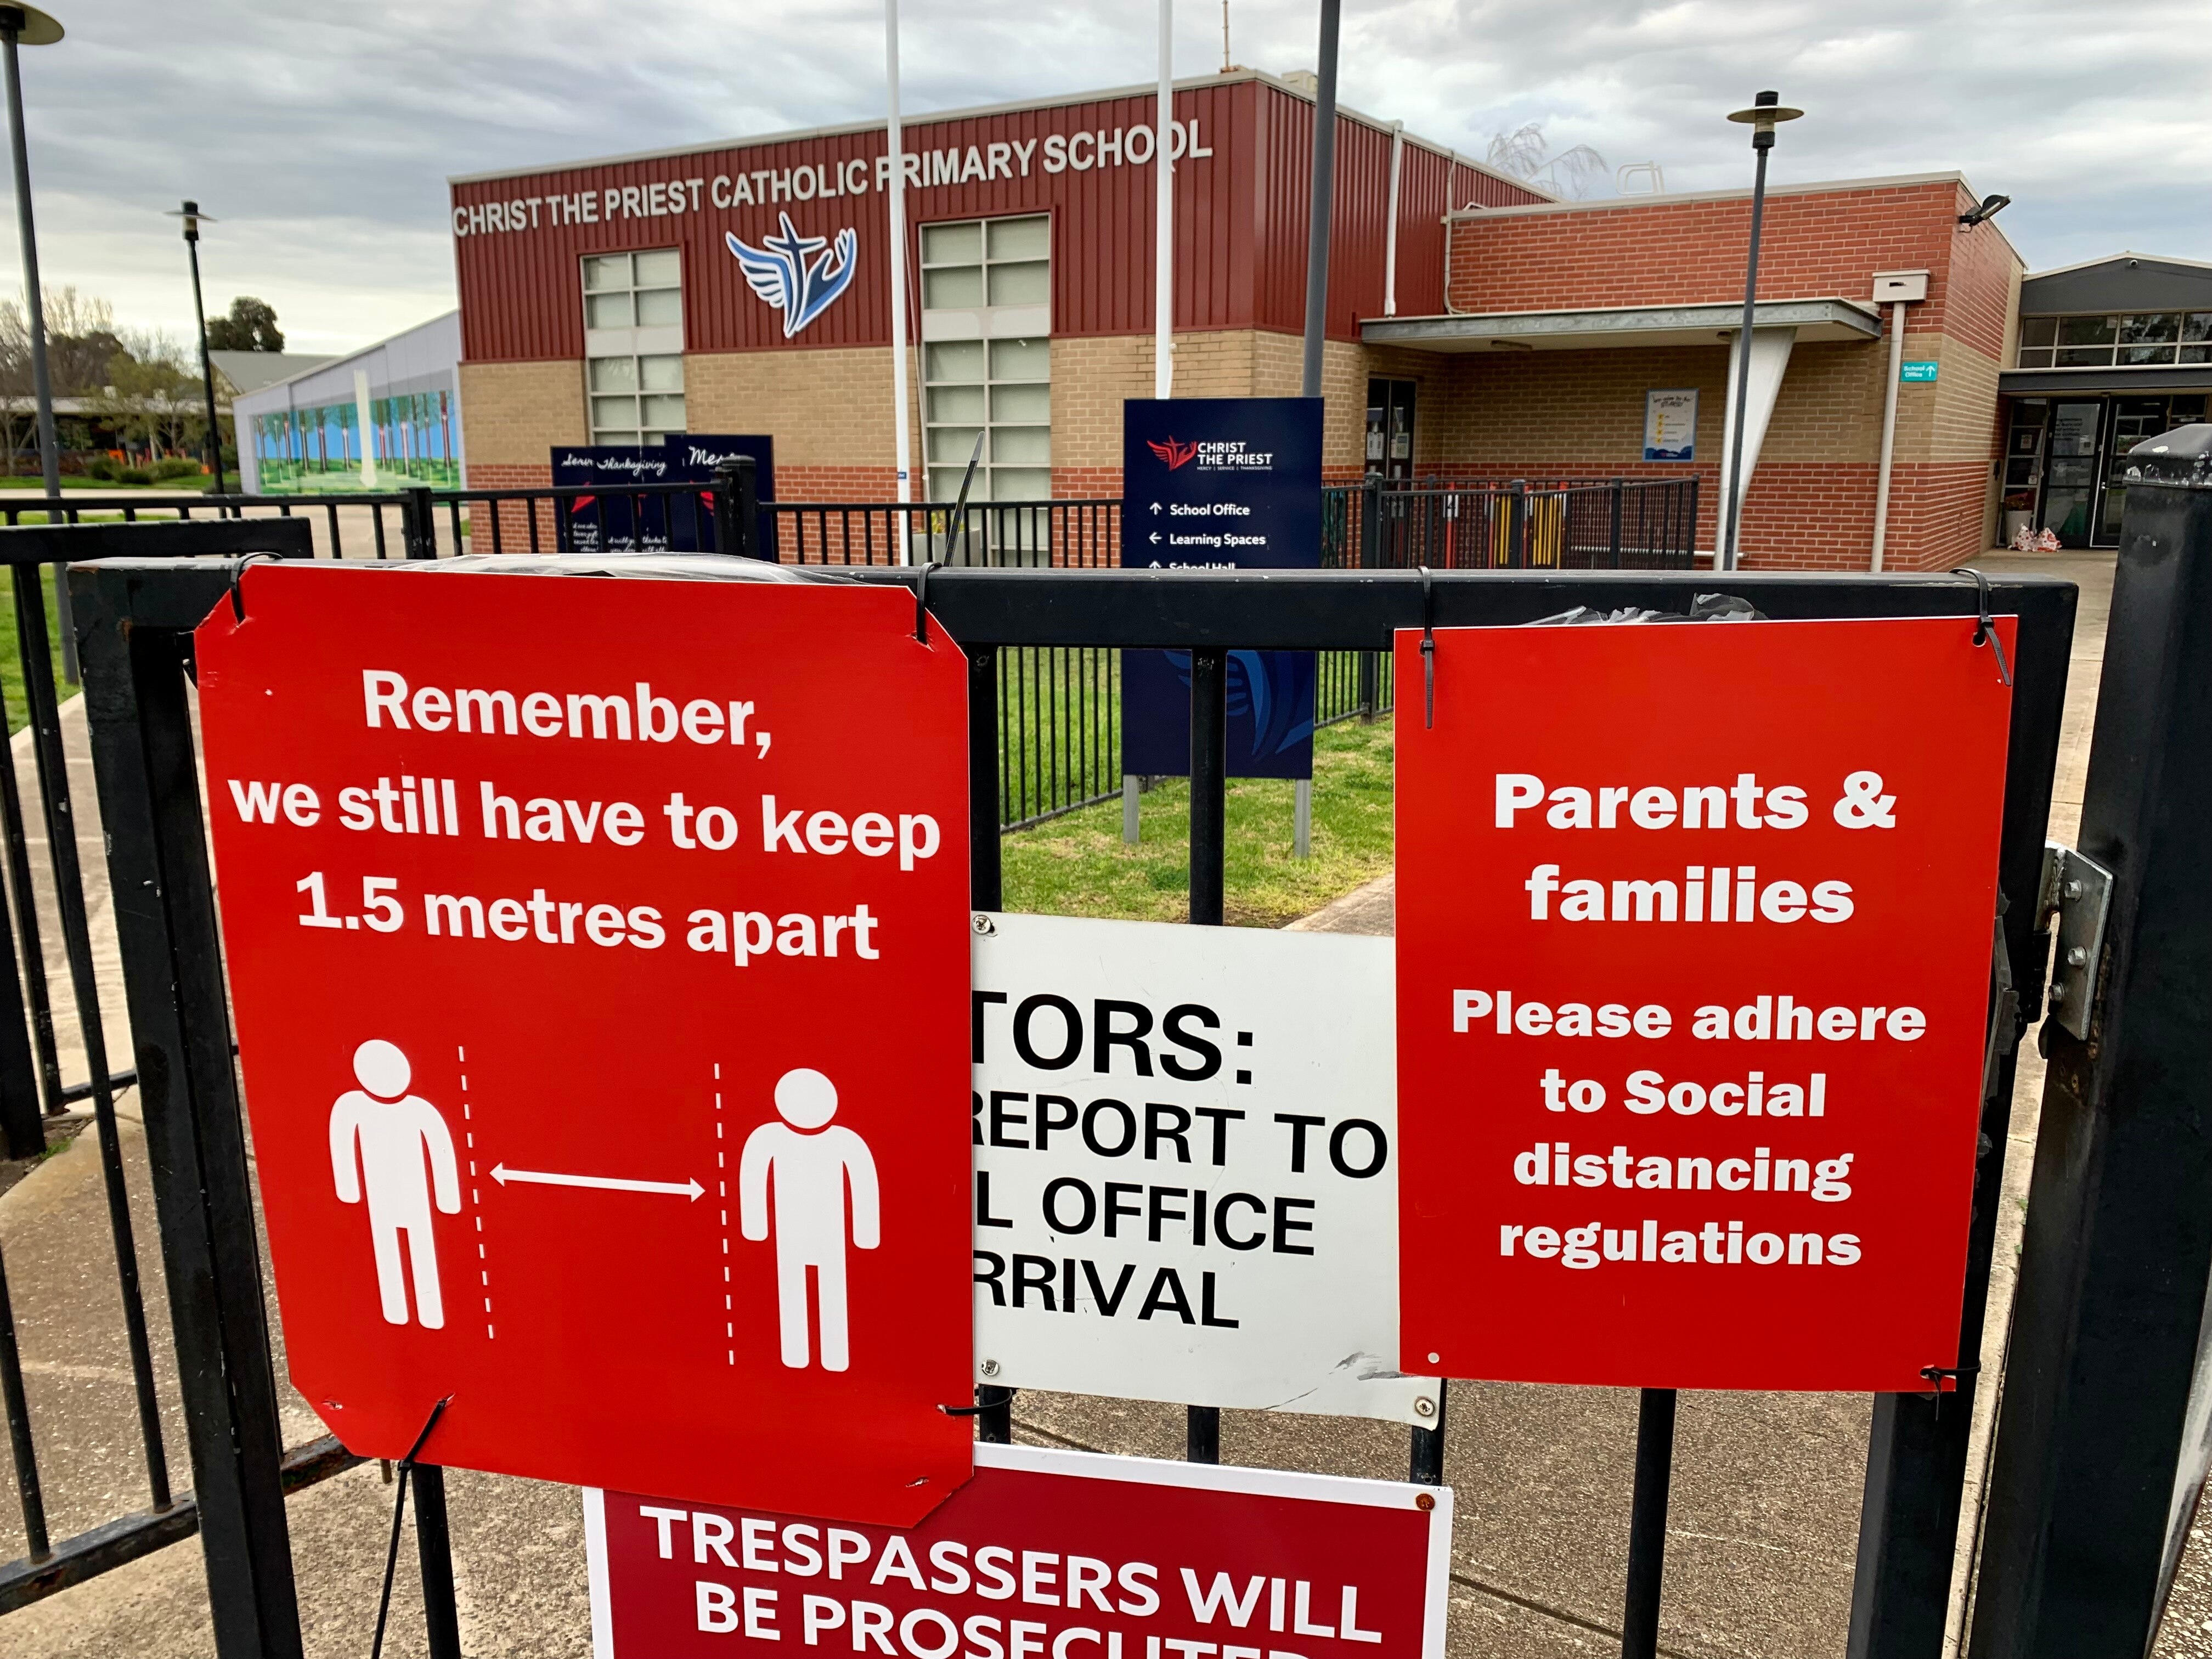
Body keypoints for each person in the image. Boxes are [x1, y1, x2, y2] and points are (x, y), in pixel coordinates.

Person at [738, 1068, 879, 1370]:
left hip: (830, 1232)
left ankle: (835, 1356)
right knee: (791, 1287)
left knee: (832, 1288)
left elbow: (863, 1181)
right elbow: (753, 1177)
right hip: (790, 1231)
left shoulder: (845, 1140)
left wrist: (866, 1233)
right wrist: (755, 1226)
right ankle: (795, 1354)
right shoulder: (769, 1137)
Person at [330, 1039, 460, 1328]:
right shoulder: (352, 1106)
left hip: (415, 1194)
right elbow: (342, 1145)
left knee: (421, 1247)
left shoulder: (419, 1109)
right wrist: (348, 1189)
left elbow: (440, 1149)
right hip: (380, 1194)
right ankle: (395, 1309)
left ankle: (429, 1311)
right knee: (386, 1248)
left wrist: (447, 1198)